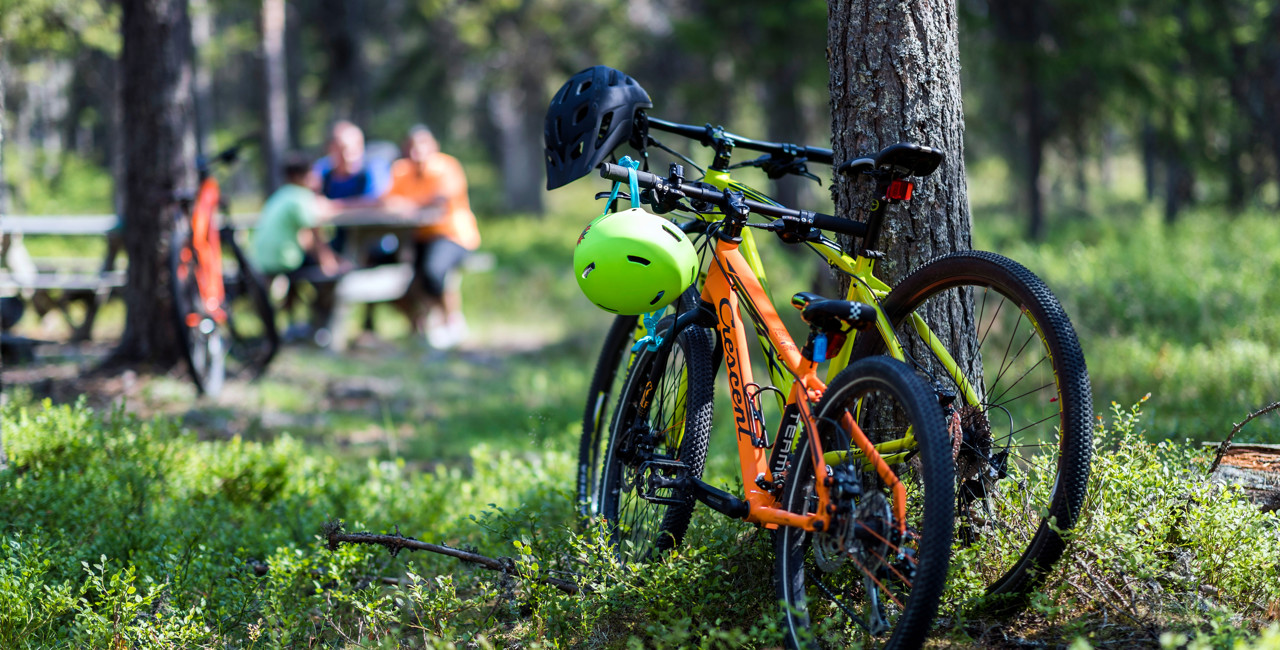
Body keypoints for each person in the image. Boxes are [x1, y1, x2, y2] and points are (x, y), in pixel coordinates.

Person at [384, 125, 480, 348]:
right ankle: (425, 325)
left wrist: (408, 205)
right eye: (412, 148)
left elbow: (441, 200)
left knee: (433, 272)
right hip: (417, 237)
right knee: (396, 277)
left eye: (422, 147)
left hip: (452, 235)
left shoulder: (446, 166)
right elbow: (388, 200)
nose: (417, 153)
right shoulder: (401, 170)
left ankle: (450, 320)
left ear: (434, 146)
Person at [251, 154, 342, 341]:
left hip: (261, 259)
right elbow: (314, 232)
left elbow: (304, 236)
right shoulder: (301, 197)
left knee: (303, 281)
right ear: (301, 177)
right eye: (313, 175)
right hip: (284, 260)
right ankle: (320, 327)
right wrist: (329, 262)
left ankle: (292, 325)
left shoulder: (280, 195)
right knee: (331, 278)